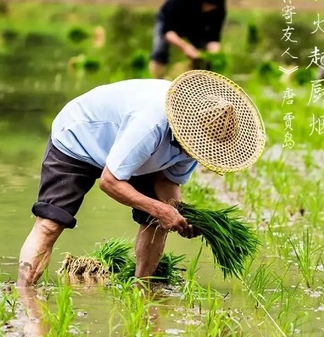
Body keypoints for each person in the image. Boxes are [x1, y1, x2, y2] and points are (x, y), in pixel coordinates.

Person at [17, 70, 265, 287]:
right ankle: (24, 297)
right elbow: (110, 181)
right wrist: (159, 209)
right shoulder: (150, 123)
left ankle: (142, 292)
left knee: (157, 223)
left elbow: (168, 182)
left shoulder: (199, 140)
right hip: (79, 138)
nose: (197, 152)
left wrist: (178, 213)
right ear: (184, 127)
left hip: (134, 155)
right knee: (50, 224)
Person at [149, 0, 227, 79]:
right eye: (207, 5)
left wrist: (213, 56)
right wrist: (185, 47)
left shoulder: (219, 10)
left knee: (204, 61)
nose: (209, 9)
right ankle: (156, 81)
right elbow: (168, 33)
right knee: (160, 53)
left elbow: (213, 38)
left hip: (196, 25)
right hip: (172, 22)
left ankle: (193, 84)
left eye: (212, 7)